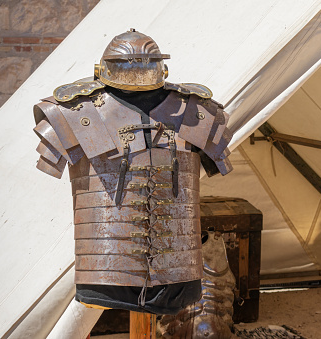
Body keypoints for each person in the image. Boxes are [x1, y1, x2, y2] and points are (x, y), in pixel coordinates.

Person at [32, 29, 233, 314]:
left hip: (179, 279)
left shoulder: (199, 111)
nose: (137, 70)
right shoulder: (71, 112)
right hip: (103, 276)